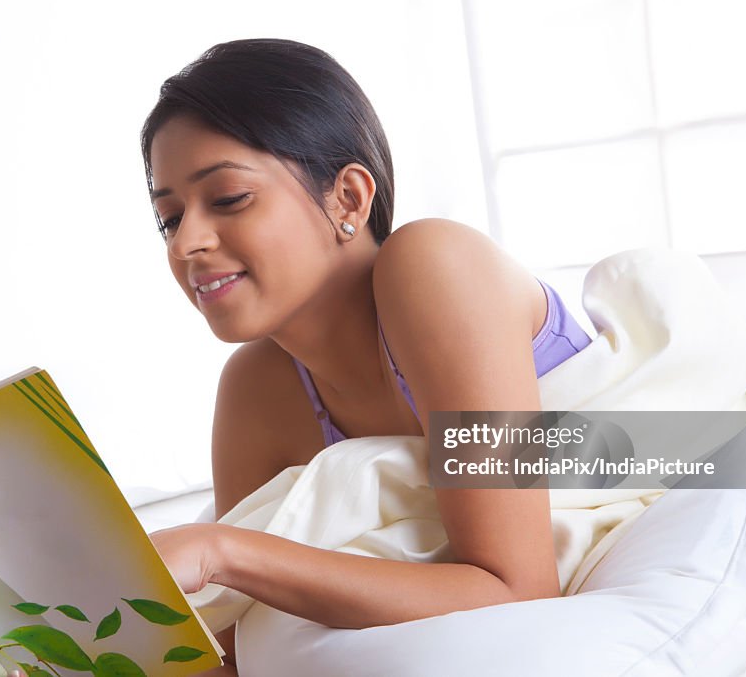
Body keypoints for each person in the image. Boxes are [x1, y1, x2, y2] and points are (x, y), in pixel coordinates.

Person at [146, 38, 592, 676]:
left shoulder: (434, 266)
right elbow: (237, 655)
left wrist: (222, 550)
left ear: (348, 199)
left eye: (228, 199)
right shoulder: (258, 388)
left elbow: (516, 588)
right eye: (168, 218)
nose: (188, 242)